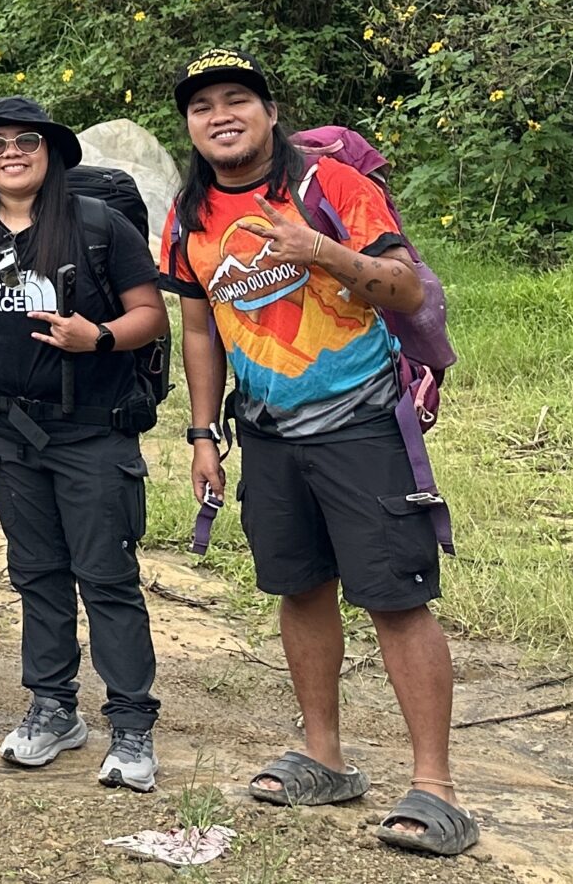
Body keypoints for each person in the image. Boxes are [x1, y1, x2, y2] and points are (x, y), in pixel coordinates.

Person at [166, 49, 475, 858]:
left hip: (364, 423)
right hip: (266, 431)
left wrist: (322, 251)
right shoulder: (189, 213)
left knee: (395, 598)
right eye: (203, 107)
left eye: (238, 99)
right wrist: (204, 432)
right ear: (190, 126)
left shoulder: (332, 187)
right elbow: (199, 325)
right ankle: (323, 756)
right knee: (299, 589)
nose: (221, 116)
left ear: (270, 112)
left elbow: (405, 287)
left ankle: (437, 789)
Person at [0, 96, 167, 791]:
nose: (10, 152)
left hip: (93, 428)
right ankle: (54, 707)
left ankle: (131, 725)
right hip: (7, 432)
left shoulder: (100, 226)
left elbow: (149, 313)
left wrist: (97, 337)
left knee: (107, 576)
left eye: (25, 140)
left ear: (51, 151)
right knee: (36, 572)